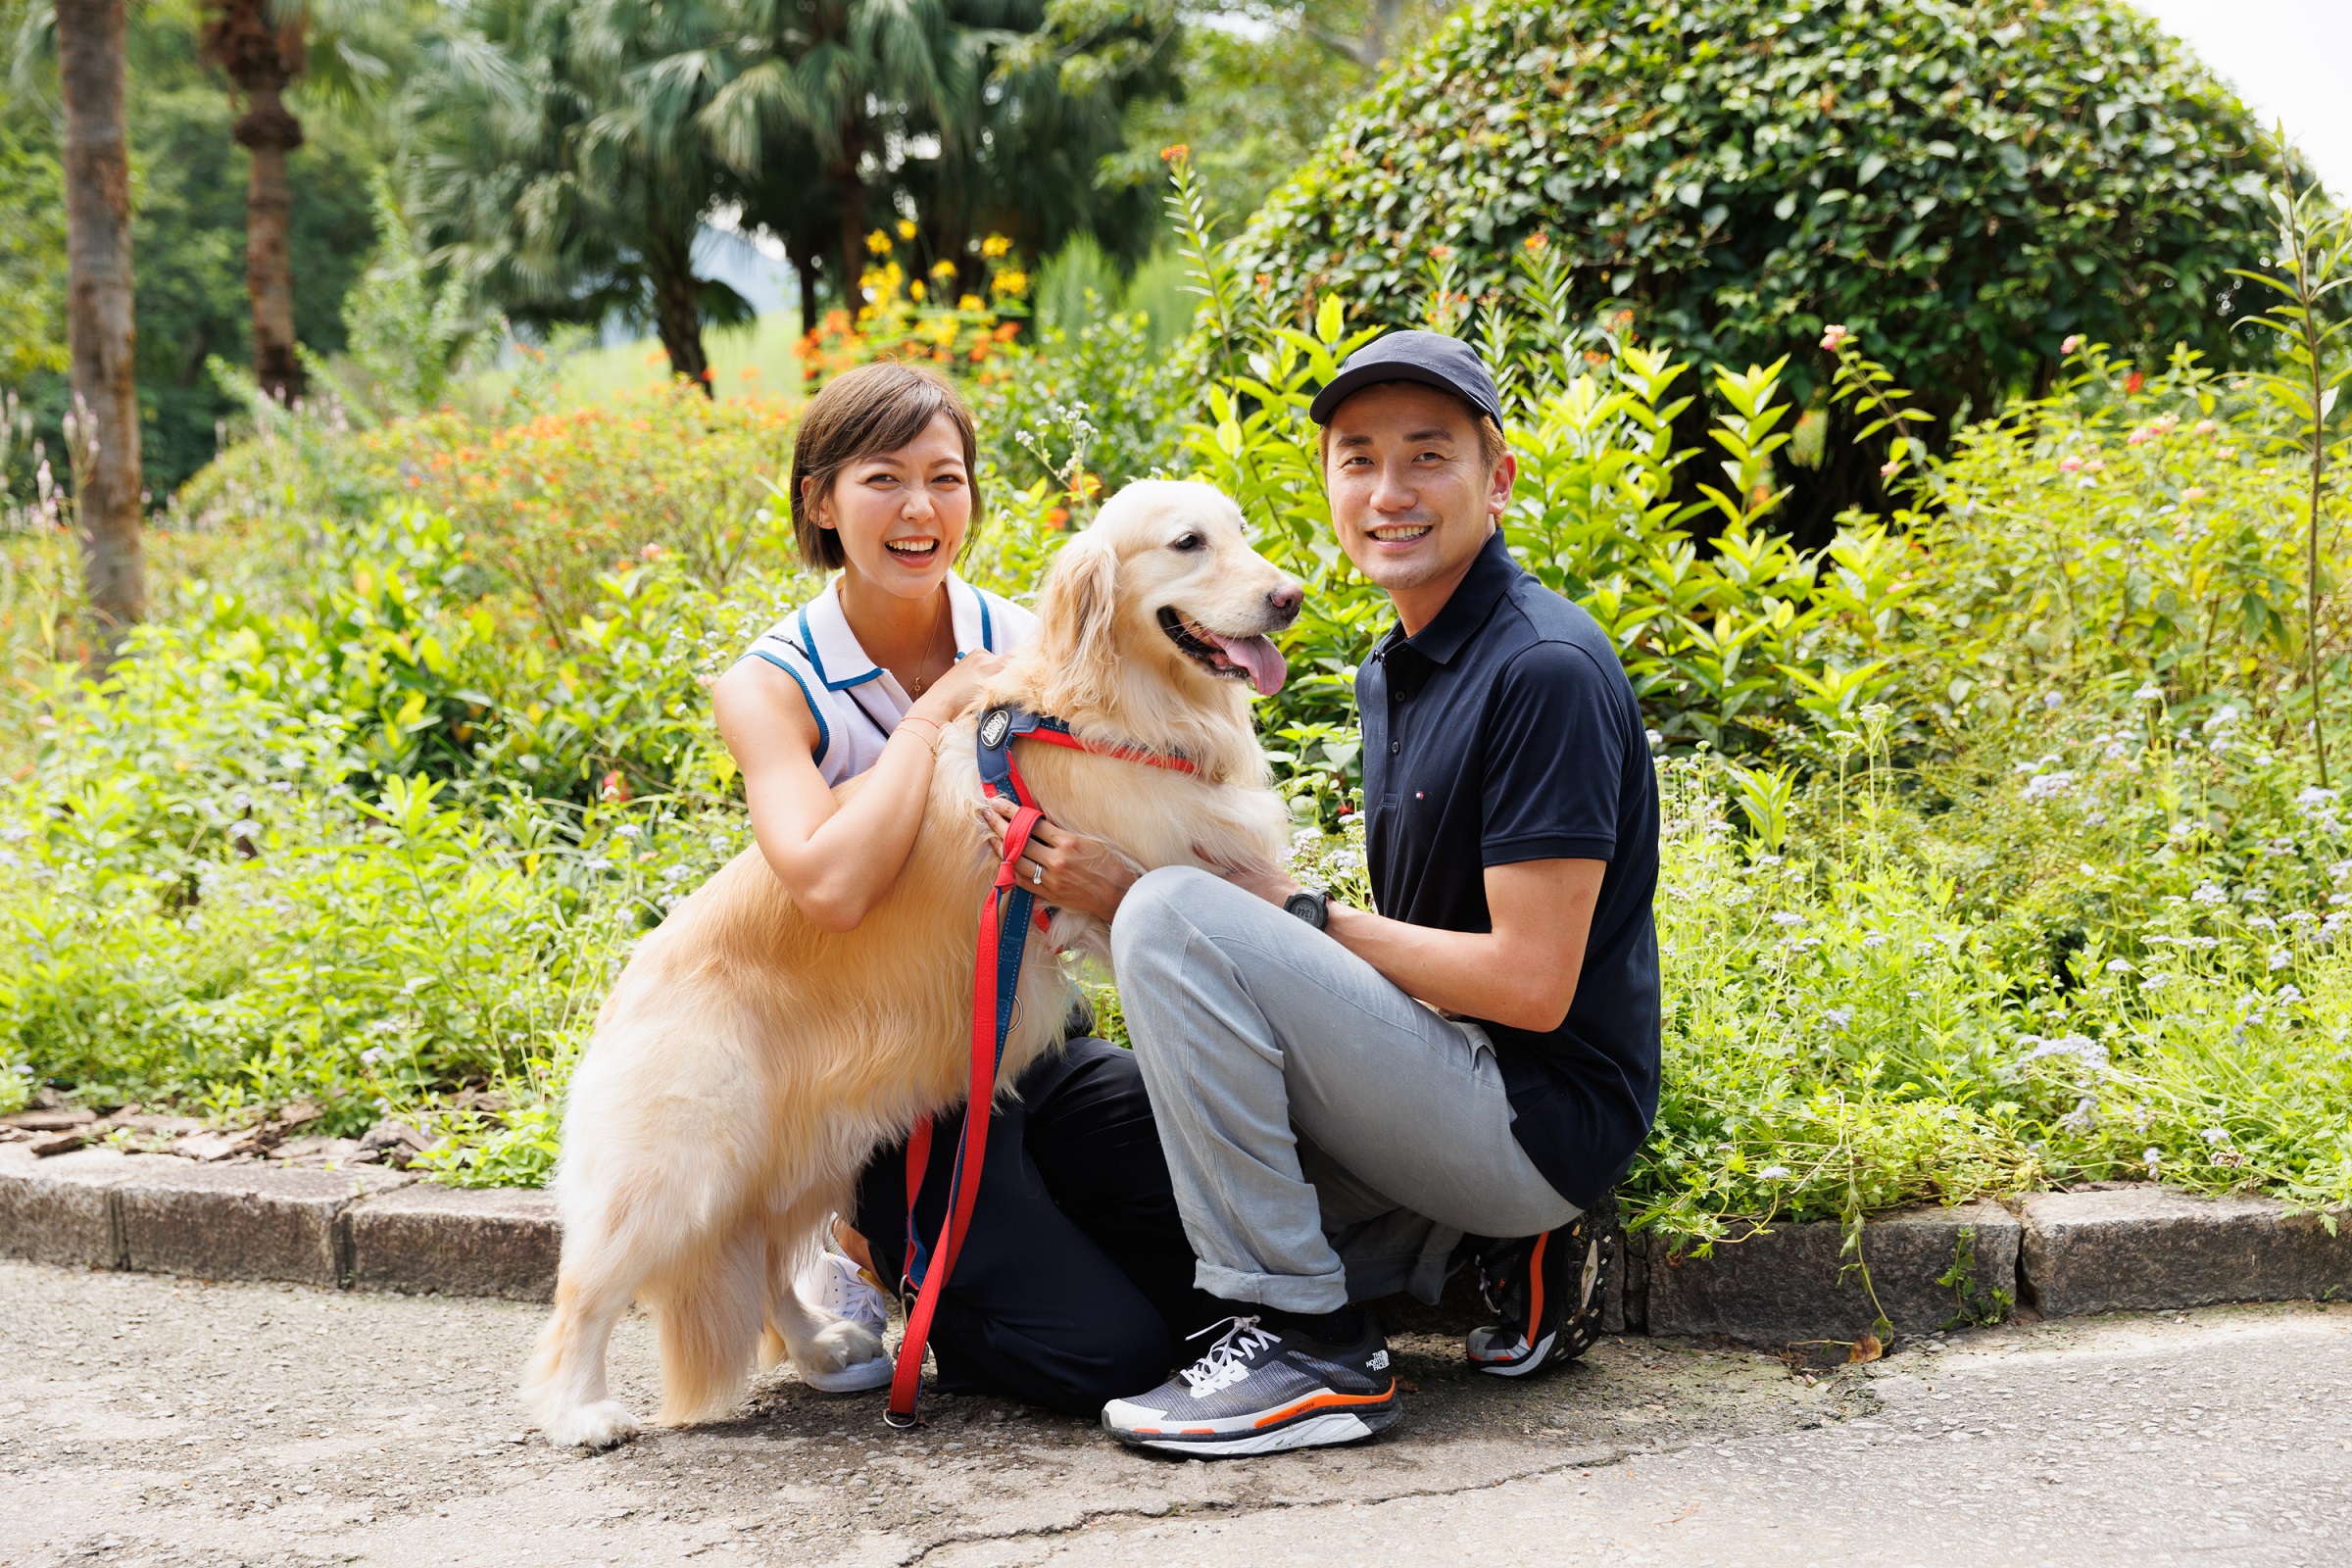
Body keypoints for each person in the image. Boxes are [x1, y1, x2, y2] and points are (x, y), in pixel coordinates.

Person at [1000, 331, 1661, 1455]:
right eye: (1358, 460)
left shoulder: (1541, 668)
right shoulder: (1400, 662)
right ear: (1329, 484)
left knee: (1165, 907)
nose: (1388, 491)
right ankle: (1469, 1253)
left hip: (1528, 1115)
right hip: (1434, 1077)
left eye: (1427, 457)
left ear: (1498, 479)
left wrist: (1287, 910)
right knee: (1093, 1159)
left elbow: (1534, 987)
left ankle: (1310, 1346)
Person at [710, 361, 1214, 1416]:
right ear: (821, 499)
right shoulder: (771, 685)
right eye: (883, 479)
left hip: (1038, 1042)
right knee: (1110, 1363)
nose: (920, 509)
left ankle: (1006, 1253)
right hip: (890, 1083)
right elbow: (831, 885)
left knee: (1205, 1311)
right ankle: (879, 1247)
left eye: (946, 478)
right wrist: (934, 714)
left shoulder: (1025, 641)